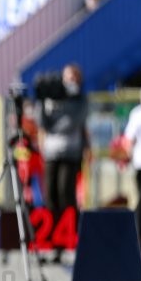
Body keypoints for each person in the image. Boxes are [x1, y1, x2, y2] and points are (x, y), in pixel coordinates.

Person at [36, 64, 90, 263]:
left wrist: (54, 127)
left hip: (70, 152)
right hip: (51, 153)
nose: (69, 81)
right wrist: (42, 101)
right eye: (67, 77)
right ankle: (53, 243)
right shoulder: (52, 97)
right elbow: (42, 122)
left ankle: (71, 241)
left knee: (65, 194)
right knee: (50, 195)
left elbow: (72, 122)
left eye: (73, 77)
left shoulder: (80, 99)